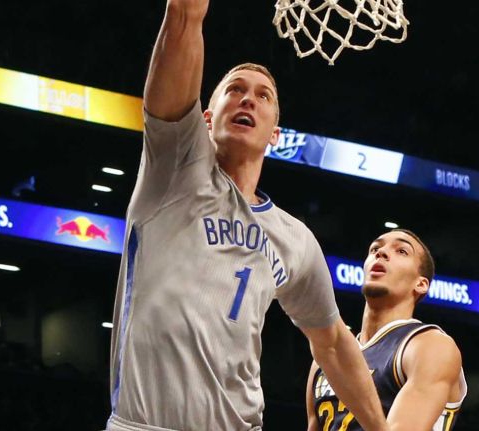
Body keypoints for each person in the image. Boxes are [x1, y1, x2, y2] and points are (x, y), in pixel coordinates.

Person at [106, 1, 387, 430]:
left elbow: (331, 344)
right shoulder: (173, 169)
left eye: (263, 96)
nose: (248, 100)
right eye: (235, 90)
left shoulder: (295, 239)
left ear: (275, 133)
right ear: (205, 118)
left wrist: (381, 428)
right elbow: (183, 16)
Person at [306, 229, 467, 431]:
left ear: (421, 284)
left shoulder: (430, 346)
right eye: (375, 248)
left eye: (401, 251)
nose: (380, 253)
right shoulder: (325, 357)